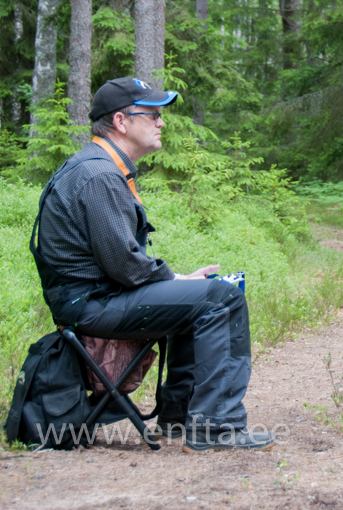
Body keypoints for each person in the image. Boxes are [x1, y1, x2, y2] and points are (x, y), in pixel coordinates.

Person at [32, 76, 275, 453]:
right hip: (93, 304)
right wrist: (177, 278)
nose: (161, 122)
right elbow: (126, 266)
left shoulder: (98, 166)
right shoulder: (99, 175)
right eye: (152, 115)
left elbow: (121, 262)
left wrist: (180, 281)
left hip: (94, 297)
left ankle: (178, 421)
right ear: (121, 121)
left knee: (202, 297)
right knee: (222, 299)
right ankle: (215, 428)